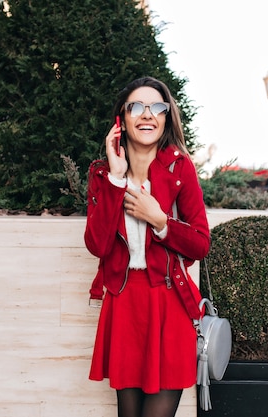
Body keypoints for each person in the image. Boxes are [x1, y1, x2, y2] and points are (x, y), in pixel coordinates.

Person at [84, 77, 210, 417]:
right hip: (124, 304)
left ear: (167, 118)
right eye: (136, 107)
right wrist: (115, 178)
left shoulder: (179, 168)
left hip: (169, 304)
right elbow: (97, 244)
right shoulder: (102, 175)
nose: (147, 115)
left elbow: (200, 243)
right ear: (121, 119)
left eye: (157, 107)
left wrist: (161, 222)